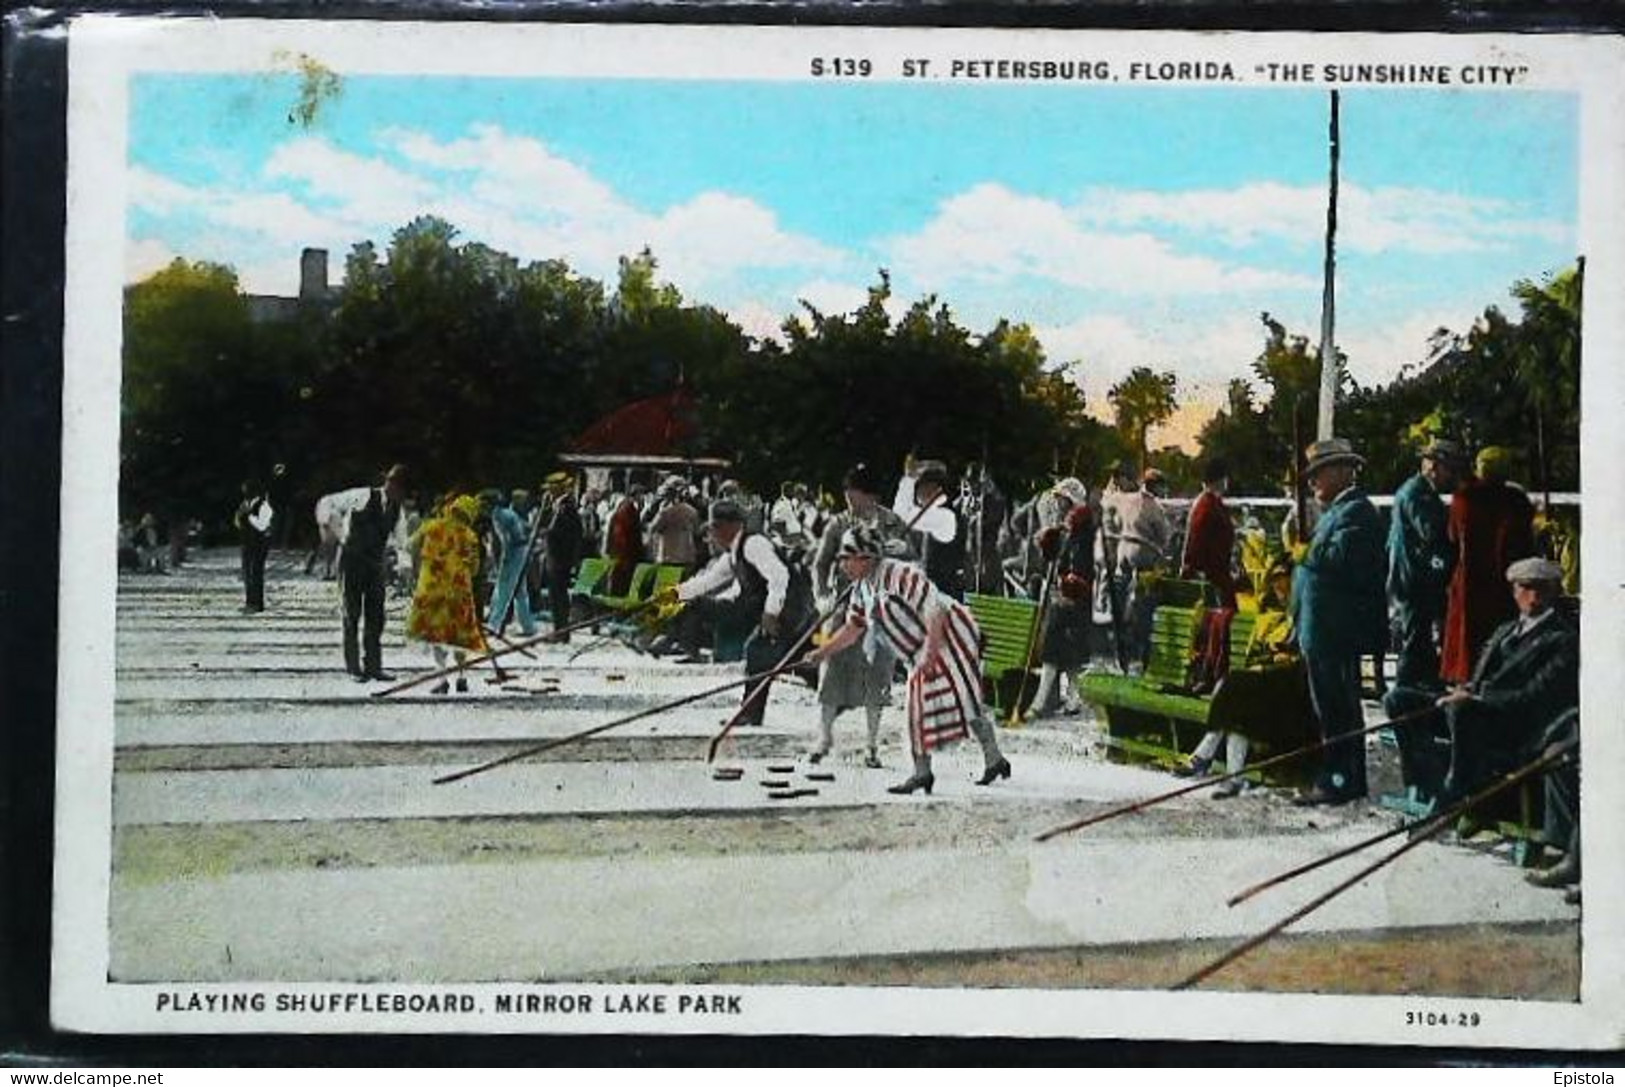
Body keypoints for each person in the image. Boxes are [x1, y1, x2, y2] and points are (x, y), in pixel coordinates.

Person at [805, 526, 1010, 795]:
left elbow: (935, 610)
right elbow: (853, 629)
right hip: (918, 649)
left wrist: (930, 652)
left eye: (847, 558)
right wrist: (822, 652)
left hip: (949, 635)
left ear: (866, 557)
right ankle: (951, 767)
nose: (842, 564)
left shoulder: (901, 574)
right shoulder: (861, 590)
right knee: (935, 703)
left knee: (958, 697)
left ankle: (934, 770)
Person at [1289, 439, 1386, 806]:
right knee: (1329, 709)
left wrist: (1306, 552)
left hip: (1336, 630)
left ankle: (1340, 780)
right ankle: (1343, 778)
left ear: (1342, 472)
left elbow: (1344, 560)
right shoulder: (1335, 512)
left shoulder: (1358, 512)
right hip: (1320, 628)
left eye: (1318, 474)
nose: (1312, 483)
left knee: (1337, 710)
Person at [657, 500, 812, 726]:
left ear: (731, 526)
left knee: (760, 652)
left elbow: (780, 576)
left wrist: (771, 613)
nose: (713, 534)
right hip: (762, 608)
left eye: (716, 527)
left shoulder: (754, 544)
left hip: (790, 608)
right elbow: (708, 582)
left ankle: (750, 714)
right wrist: (672, 596)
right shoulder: (734, 553)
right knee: (794, 657)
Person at [808, 463, 913, 767]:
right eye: (847, 495)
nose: (851, 502)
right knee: (831, 669)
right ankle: (824, 736)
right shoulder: (838, 524)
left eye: (855, 496)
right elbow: (820, 564)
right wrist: (821, 597)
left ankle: (871, 745)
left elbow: (914, 560)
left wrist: (901, 550)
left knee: (878, 675)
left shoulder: (892, 523)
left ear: (871, 496)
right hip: (844, 604)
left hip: (883, 609)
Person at [1441, 446, 1535, 683]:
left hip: (1470, 578)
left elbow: (1452, 536)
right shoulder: (1515, 501)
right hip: (1503, 579)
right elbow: (1524, 542)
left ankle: (1466, 676)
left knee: (1469, 636)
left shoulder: (1463, 498)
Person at [1386, 439, 1465, 688]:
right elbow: (1431, 531)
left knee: (1419, 637)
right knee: (1415, 638)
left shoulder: (1417, 491)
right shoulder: (1417, 494)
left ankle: (1426, 684)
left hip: (1414, 575)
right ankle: (1403, 690)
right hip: (1413, 578)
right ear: (1432, 466)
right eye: (1448, 469)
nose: (1451, 476)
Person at [406, 495, 488, 695]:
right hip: (458, 592)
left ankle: (442, 677)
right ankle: (461, 676)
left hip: (432, 590)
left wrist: (422, 564)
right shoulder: (469, 535)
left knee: (436, 636)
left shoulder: (431, 527)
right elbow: (476, 568)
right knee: (459, 636)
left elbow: (410, 545)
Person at [340, 464, 408, 682]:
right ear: (387, 482)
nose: (395, 490)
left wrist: (403, 567)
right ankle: (353, 668)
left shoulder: (397, 509)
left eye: (400, 488)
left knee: (376, 617)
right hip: (352, 561)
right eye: (393, 484)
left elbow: (401, 541)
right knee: (351, 613)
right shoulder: (363, 496)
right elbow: (344, 523)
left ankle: (373, 667)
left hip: (374, 565)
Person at [1028, 501, 1095, 719]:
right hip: (1064, 601)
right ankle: (1063, 699)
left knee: (1060, 655)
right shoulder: (1068, 537)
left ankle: (1049, 701)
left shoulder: (1082, 541)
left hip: (1071, 603)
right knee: (1061, 656)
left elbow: (1078, 573)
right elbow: (1052, 557)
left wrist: (1066, 583)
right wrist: (1049, 541)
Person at [1104, 466, 1172, 672]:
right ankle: (1140, 658)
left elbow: (1114, 519)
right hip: (1142, 566)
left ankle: (1122, 656)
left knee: (1122, 613)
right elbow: (1164, 537)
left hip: (1122, 562)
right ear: (1157, 486)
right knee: (1142, 614)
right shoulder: (1154, 507)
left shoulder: (1127, 499)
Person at [893, 458, 966, 600]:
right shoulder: (938, 513)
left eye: (920, 485)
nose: (916, 490)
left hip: (943, 595)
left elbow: (902, 515)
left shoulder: (945, 516)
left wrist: (909, 478)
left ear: (933, 488)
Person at [1180, 459, 1237, 609]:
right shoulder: (1208, 506)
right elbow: (1197, 541)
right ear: (1220, 480)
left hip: (1216, 572)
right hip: (1213, 575)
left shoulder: (1209, 503)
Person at [484, 491, 538, 638]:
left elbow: (507, 538)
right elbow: (524, 528)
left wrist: (505, 558)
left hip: (514, 551)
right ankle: (528, 626)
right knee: (520, 591)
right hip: (522, 550)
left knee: (503, 589)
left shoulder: (498, 515)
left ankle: (494, 625)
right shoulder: (508, 513)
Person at [542, 472, 584, 639]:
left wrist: (549, 533)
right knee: (555, 595)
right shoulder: (555, 506)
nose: (549, 493)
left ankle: (562, 630)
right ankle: (558, 628)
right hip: (554, 557)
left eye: (552, 489)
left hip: (561, 558)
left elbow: (570, 533)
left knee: (559, 596)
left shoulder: (567, 508)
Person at [233, 479, 274, 613]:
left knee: (256, 572)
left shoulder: (264, 505)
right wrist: (240, 517)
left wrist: (249, 516)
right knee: (246, 573)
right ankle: (249, 601)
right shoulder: (245, 504)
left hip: (259, 543)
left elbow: (262, 525)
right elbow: (238, 522)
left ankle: (257, 603)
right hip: (246, 542)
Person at [648, 477, 702, 573]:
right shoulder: (692, 511)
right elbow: (697, 532)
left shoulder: (665, 513)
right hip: (687, 557)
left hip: (668, 558)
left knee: (668, 587)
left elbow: (652, 529)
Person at [605, 485, 646, 597]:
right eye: (642, 494)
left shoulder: (626, 508)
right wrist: (624, 555)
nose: (643, 498)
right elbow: (622, 534)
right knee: (621, 582)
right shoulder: (627, 509)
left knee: (620, 581)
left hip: (623, 553)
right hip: (625, 554)